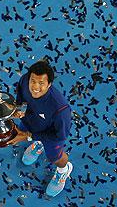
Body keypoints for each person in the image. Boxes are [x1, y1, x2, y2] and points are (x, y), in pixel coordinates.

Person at [8, 60, 73, 197]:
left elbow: (59, 136)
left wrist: (28, 136)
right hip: (30, 121)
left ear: (49, 85)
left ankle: (64, 171)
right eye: (33, 81)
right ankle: (38, 143)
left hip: (51, 135)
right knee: (29, 134)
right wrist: (19, 109)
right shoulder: (25, 80)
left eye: (41, 83)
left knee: (56, 158)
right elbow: (20, 97)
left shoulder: (61, 109)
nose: (35, 87)